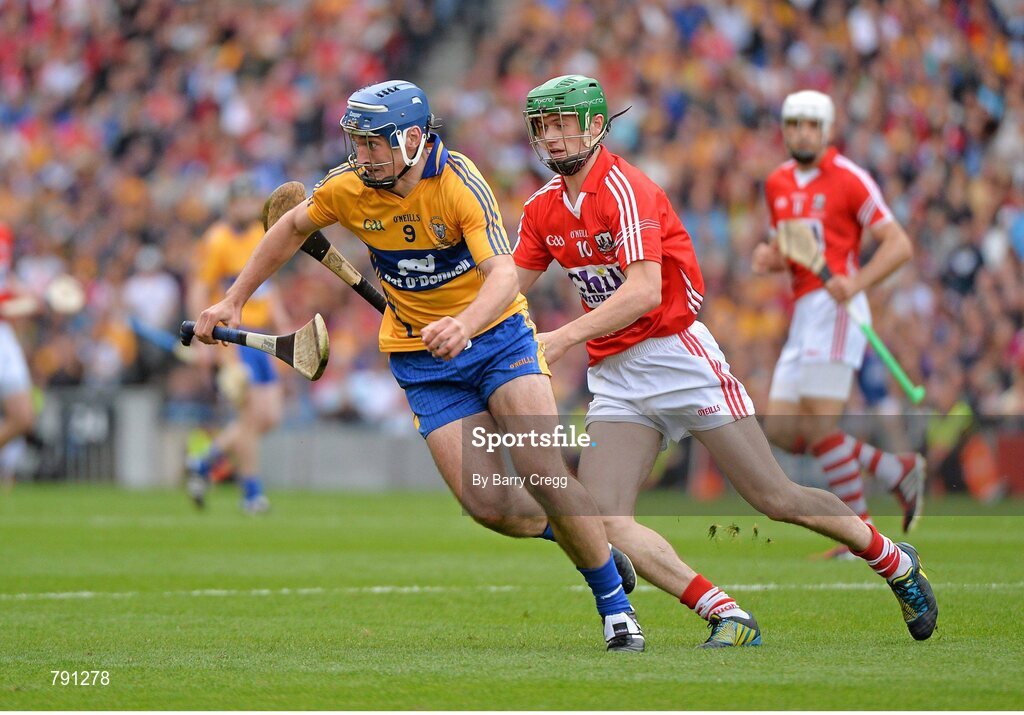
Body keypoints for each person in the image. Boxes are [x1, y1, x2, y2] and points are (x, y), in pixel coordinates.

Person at [193, 80, 645, 652]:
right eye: (356, 142)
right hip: (422, 359)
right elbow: (289, 228)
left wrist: (465, 324)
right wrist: (233, 299)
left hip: (500, 338)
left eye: (374, 143)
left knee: (541, 468)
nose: (362, 154)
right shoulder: (348, 187)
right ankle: (589, 540)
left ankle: (614, 606)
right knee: (487, 505)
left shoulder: (458, 181)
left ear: (410, 138)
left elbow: (503, 274)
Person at [512, 75, 938, 645]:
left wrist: (560, 339)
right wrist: (454, 319)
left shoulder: (626, 189)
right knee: (600, 521)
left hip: (676, 356)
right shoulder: (543, 208)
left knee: (774, 498)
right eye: (543, 127)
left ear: (595, 126)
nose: (553, 138)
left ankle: (894, 561)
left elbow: (642, 292)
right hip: (615, 375)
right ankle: (727, 615)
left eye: (563, 125)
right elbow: (508, 289)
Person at [754, 90, 926, 555]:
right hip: (803, 314)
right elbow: (786, 249)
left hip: (838, 311)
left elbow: (899, 244)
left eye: (812, 124)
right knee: (785, 432)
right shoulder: (776, 184)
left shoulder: (850, 179)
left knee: (819, 421)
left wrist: (858, 281)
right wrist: (769, 257)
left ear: (826, 129)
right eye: (794, 124)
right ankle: (895, 471)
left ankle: (860, 534)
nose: (802, 132)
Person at [186, 176, 288, 514]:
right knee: (248, 417)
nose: (245, 207)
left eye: (250, 202)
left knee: (269, 416)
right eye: (240, 202)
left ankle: (205, 460)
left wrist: (283, 324)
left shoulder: (262, 235)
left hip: (262, 336)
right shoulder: (217, 241)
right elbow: (200, 289)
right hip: (233, 336)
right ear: (230, 205)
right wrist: (203, 341)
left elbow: (268, 289)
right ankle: (252, 494)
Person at [0, 222, 35, 488]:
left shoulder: (4, 233)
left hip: (3, 333)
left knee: (23, 416)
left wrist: (25, 295)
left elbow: (5, 281)